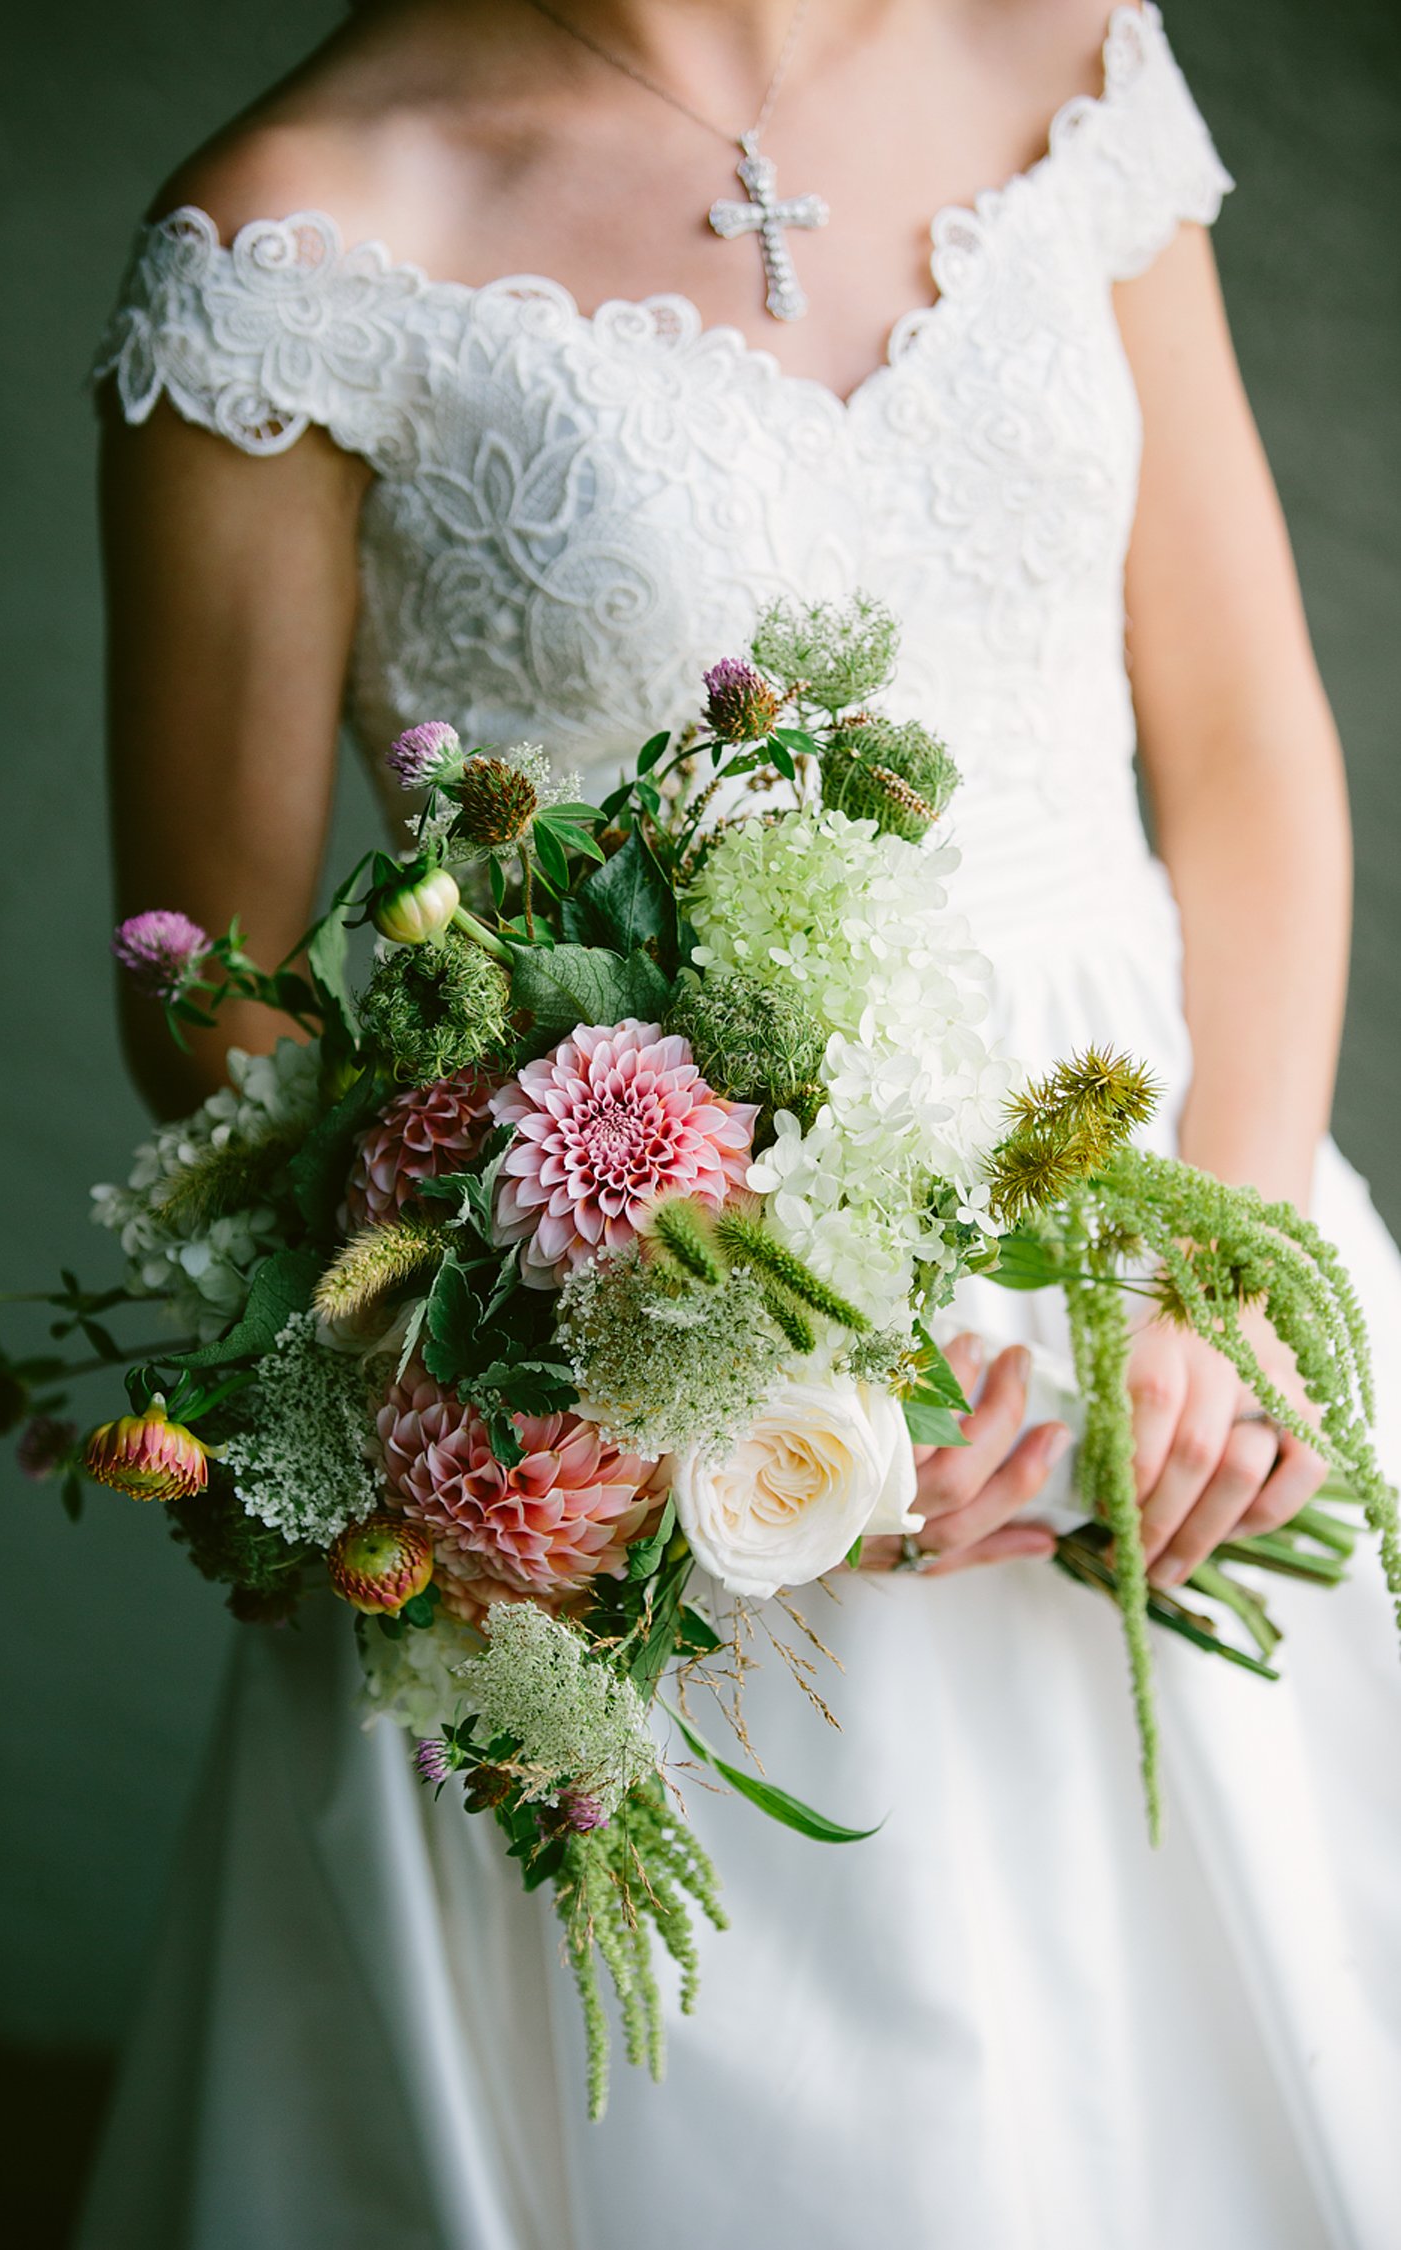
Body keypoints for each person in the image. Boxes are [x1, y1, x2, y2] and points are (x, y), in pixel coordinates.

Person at [78, 3, 1401, 2244]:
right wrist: (650, 1372)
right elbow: (217, 1001)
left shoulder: (1064, 56)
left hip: (1175, 1250)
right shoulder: (296, 229)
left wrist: (1220, 1273)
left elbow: (1253, 756)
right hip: (651, 1376)